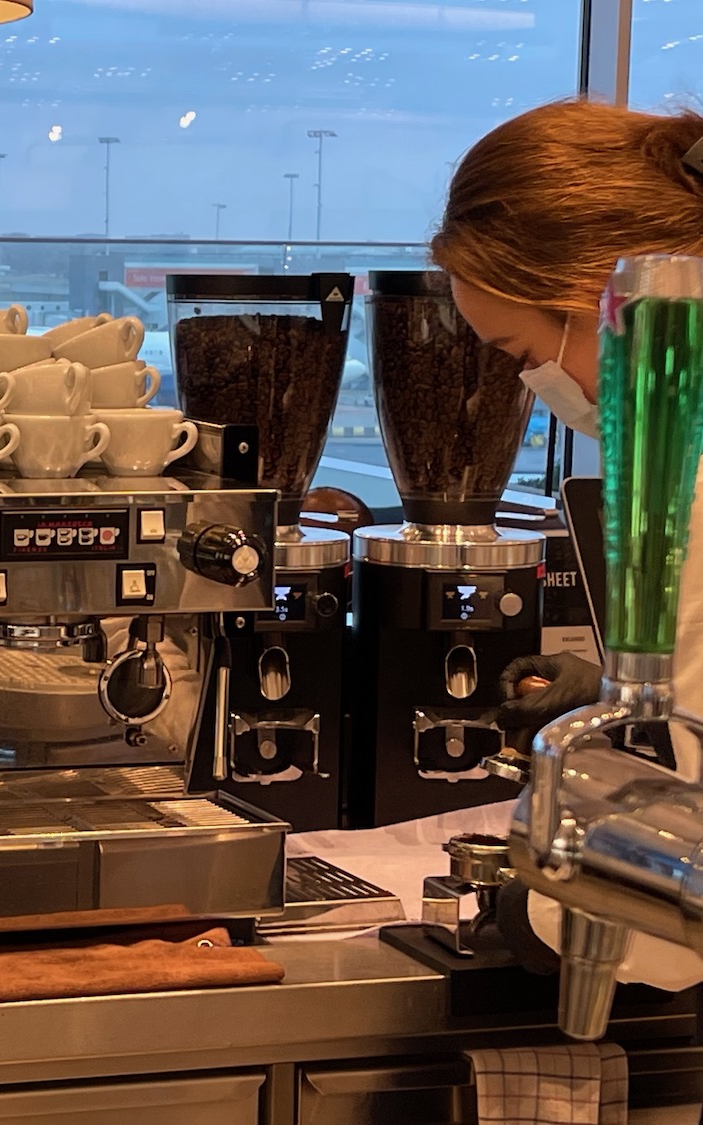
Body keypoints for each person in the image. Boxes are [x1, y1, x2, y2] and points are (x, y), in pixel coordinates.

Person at [430, 97, 703, 991]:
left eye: (519, 353)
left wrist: (539, 896)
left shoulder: (688, 473)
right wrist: (630, 708)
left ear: (600, 293)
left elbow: (671, 883)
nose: (541, 384)